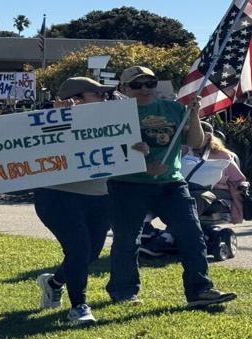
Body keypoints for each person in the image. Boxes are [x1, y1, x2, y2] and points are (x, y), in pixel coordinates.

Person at [101, 66, 236, 309]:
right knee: (127, 240)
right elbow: (107, 149)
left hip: (172, 183)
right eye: (136, 85)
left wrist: (193, 114)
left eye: (149, 83)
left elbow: (195, 141)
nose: (144, 89)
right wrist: (143, 164)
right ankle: (123, 291)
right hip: (128, 185)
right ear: (123, 89)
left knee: (192, 235)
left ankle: (200, 290)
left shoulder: (173, 109)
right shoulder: (114, 115)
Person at [33, 77, 122, 326]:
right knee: (79, 249)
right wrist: (60, 121)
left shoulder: (110, 122)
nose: (105, 100)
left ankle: (53, 283)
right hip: (56, 196)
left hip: (99, 196)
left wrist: (136, 149)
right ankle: (79, 306)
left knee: (90, 253)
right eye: (98, 95)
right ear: (75, 99)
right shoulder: (41, 124)